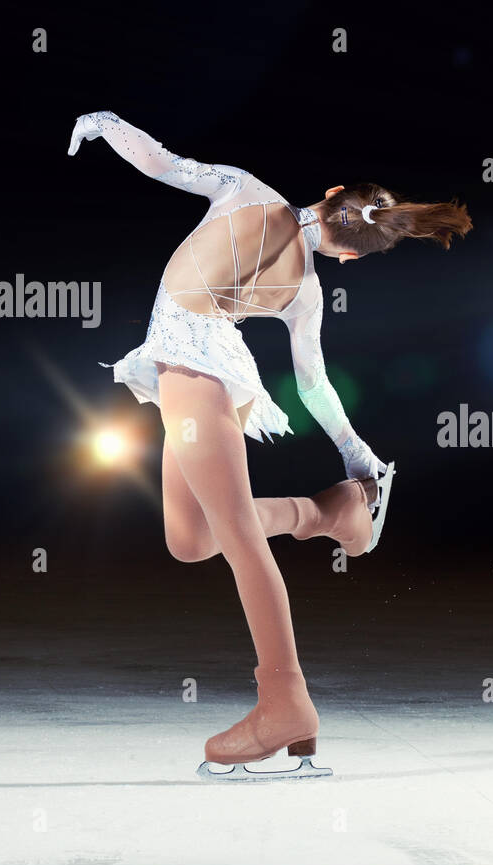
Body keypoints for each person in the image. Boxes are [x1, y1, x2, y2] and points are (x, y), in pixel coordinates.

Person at [68, 111, 472, 778]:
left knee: (236, 538)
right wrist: (354, 452)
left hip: (197, 374)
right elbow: (313, 385)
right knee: (192, 539)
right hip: (196, 374)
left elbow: (162, 162)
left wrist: (105, 122)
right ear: (349, 256)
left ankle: (284, 701)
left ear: (333, 191)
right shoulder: (308, 291)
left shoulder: (244, 187)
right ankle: (330, 511)